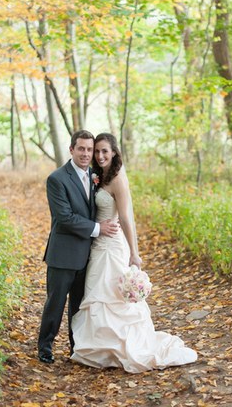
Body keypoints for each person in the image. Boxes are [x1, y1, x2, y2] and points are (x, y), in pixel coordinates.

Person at [70, 133, 197, 373]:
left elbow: (127, 218)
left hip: (114, 245)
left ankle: (123, 347)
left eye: (104, 151)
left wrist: (134, 253)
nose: (99, 155)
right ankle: (102, 348)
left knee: (115, 298)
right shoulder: (98, 176)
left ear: (115, 152)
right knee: (98, 294)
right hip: (98, 244)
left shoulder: (117, 179)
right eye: (97, 151)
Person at [37, 130, 120, 364]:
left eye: (89, 149)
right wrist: (97, 228)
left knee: (79, 306)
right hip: (63, 254)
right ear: (71, 149)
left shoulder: (96, 176)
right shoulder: (57, 179)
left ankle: (78, 347)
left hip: (88, 254)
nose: (86, 153)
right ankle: (45, 347)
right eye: (81, 148)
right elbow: (64, 217)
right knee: (55, 303)